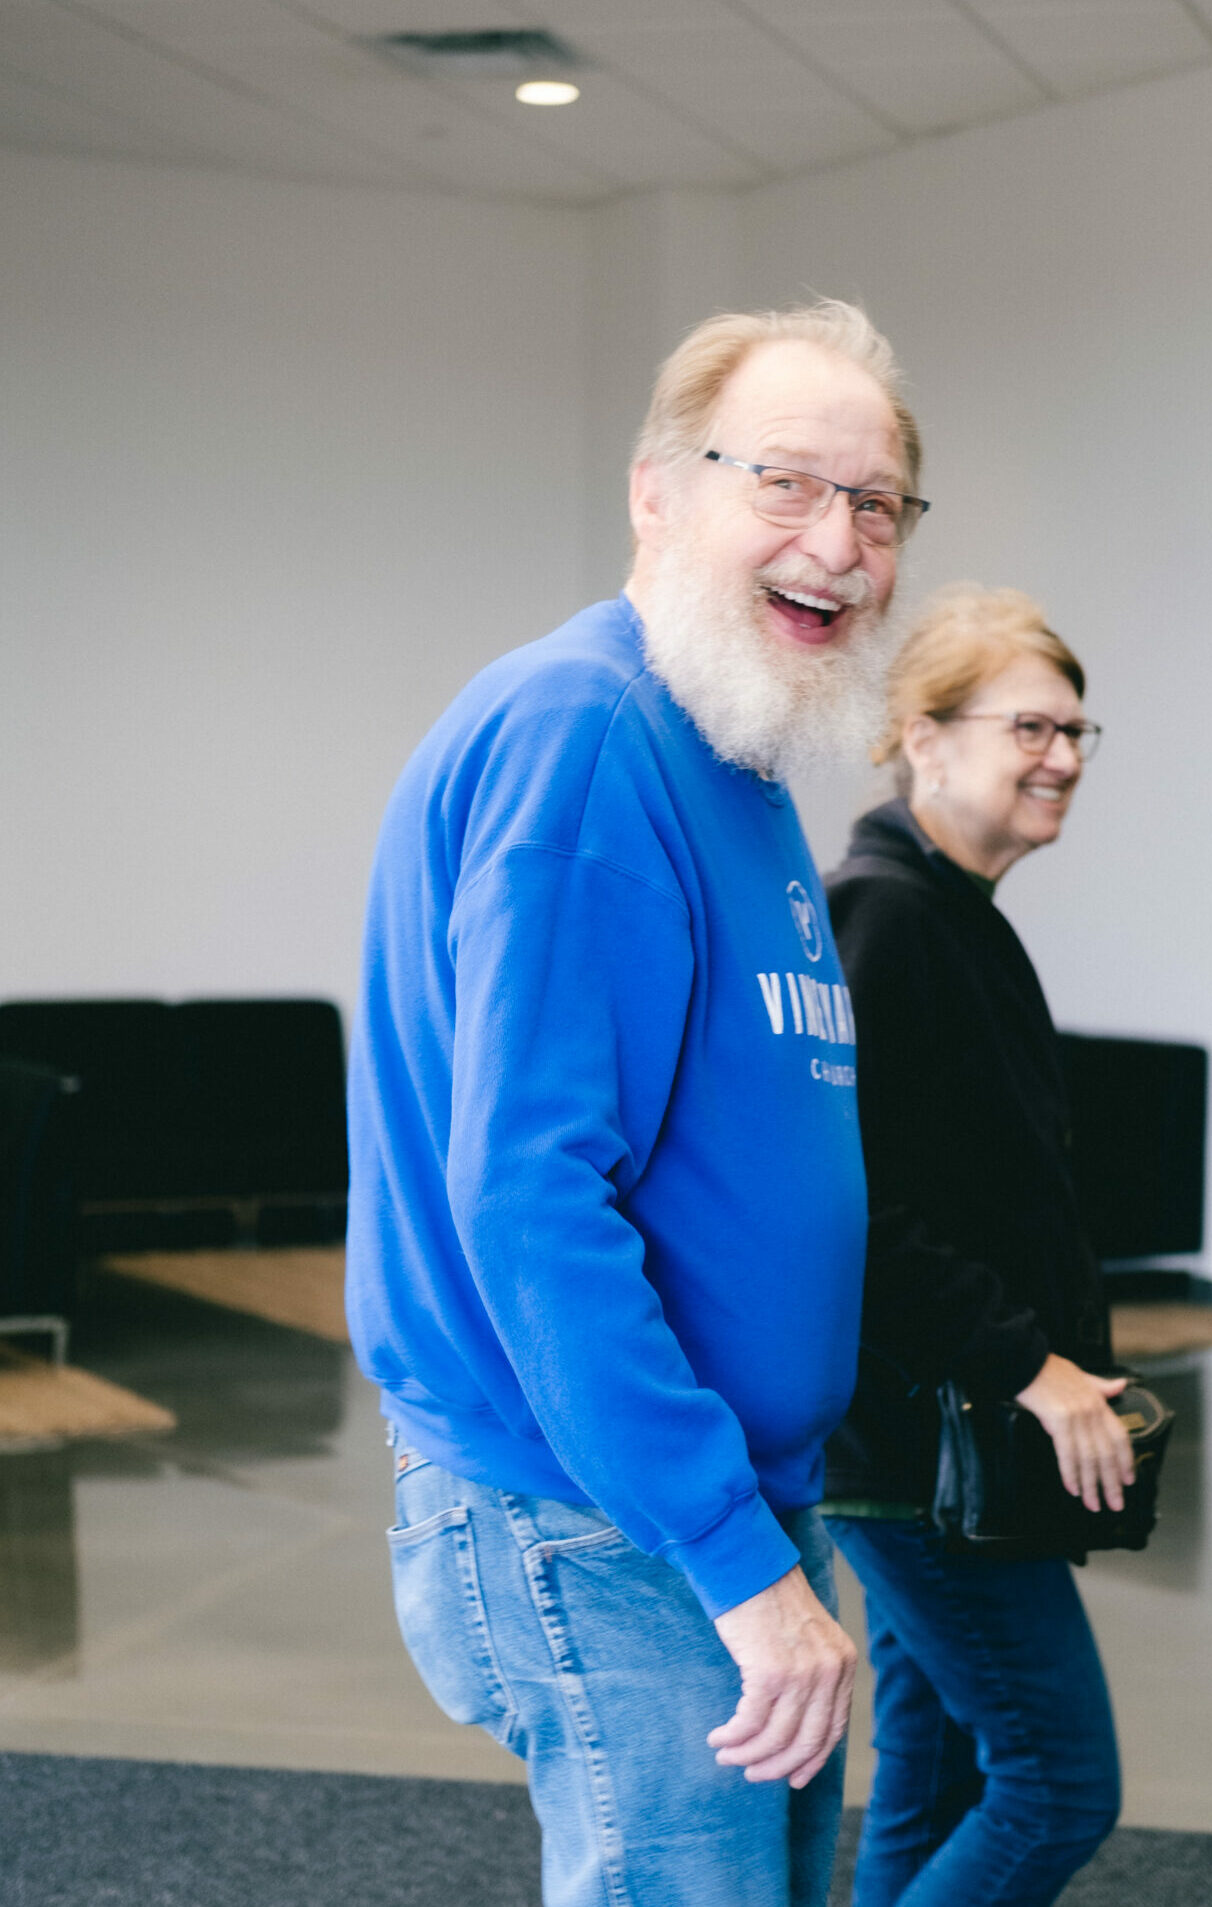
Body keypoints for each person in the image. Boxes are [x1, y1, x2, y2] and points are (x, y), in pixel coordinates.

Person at [344, 300, 933, 1906]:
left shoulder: (731, 749)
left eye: (876, 504)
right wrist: (735, 1561)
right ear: (657, 493)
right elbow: (532, 1197)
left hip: (711, 1497)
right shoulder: (590, 735)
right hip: (601, 1509)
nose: (840, 542)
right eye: (788, 486)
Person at [820, 584, 1125, 1906]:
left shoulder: (957, 913)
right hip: (915, 1446)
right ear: (920, 733)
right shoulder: (884, 915)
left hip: (924, 1441)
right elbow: (860, 1214)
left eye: (1075, 729)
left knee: (933, 1770)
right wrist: (1034, 1365)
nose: (1060, 754)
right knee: (1059, 1780)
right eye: (1030, 725)